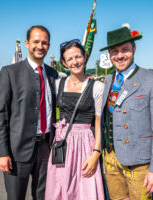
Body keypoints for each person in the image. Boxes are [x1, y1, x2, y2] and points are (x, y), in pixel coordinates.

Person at [99, 25, 153, 200]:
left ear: (134, 48)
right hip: (110, 158)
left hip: (139, 163)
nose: (119, 55)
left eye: (125, 49)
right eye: (114, 51)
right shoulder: (108, 79)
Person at [0, 25, 58, 200]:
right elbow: (1, 115)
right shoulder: (10, 72)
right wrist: (2, 152)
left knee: (43, 196)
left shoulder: (53, 74)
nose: (40, 46)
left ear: (49, 45)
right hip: (17, 152)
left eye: (44, 43)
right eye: (36, 41)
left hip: (46, 149)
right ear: (27, 43)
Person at [45, 40, 105, 200]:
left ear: (85, 57)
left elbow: (98, 123)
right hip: (62, 143)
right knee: (59, 187)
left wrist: (96, 153)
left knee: (84, 189)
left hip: (85, 143)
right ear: (64, 63)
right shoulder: (58, 84)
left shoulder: (97, 87)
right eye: (69, 59)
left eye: (78, 57)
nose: (75, 62)